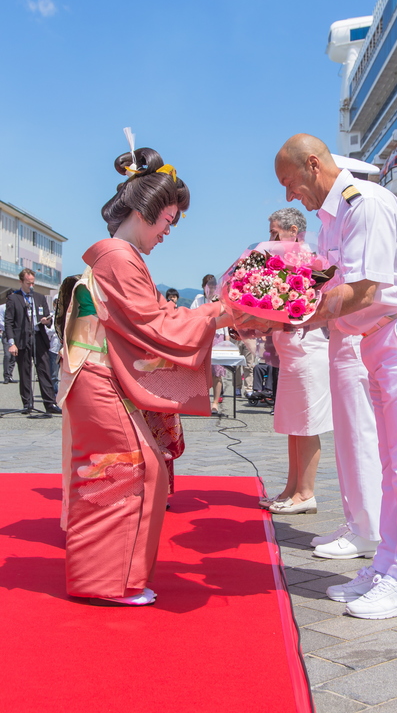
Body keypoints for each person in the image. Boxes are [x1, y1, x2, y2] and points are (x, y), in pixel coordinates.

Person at [273, 133, 397, 620]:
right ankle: (389, 564)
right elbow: (331, 286)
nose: (290, 196)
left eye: (291, 183)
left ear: (314, 165)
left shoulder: (365, 204)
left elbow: (361, 290)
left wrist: (290, 313)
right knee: (394, 463)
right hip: (383, 338)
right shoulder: (335, 216)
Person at [57, 143, 230, 606]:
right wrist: (217, 313)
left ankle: (115, 578)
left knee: (132, 470)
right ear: (147, 211)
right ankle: (105, 581)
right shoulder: (119, 256)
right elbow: (153, 325)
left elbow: (147, 318)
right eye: (168, 222)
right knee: (128, 470)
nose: (168, 232)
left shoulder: (120, 255)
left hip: (97, 371)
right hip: (96, 373)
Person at [257, 207, 332, 515]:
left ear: (295, 233)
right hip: (288, 354)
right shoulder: (279, 264)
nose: (272, 239)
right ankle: (290, 489)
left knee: (307, 424)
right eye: (270, 233)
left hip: (308, 352)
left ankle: (306, 493)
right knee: (293, 426)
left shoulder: (314, 264)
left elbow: (317, 301)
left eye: (277, 233)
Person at [4, 269, 61, 415]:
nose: (31, 286)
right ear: (21, 282)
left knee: (44, 370)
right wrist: (12, 343)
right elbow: (9, 322)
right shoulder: (13, 298)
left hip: (39, 337)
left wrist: (47, 321)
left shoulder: (40, 297)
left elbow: (49, 320)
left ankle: (50, 403)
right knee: (25, 372)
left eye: (33, 283)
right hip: (22, 339)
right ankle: (27, 403)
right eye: (28, 283)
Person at [191, 275, 229, 414]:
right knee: (201, 371)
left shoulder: (219, 301)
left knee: (217, 372)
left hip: (217, 336)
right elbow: (192, 317)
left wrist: (227, 338)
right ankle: (203, 401)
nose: (211, 288)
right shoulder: (198, 300)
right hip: (202, 337)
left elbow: (225, 320)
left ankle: (215, 402)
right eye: (209, 285)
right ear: (203, 286)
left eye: (214, 286)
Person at [0, 289, 17, 383]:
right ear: (7, 298)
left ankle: (10, 375)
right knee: (7, 355)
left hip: (16, 334)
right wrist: (8, 328)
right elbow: (1, 321)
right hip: (7, 333)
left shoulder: (17, 307)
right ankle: (6, 376)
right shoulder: (2, 308)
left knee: (14, 356)